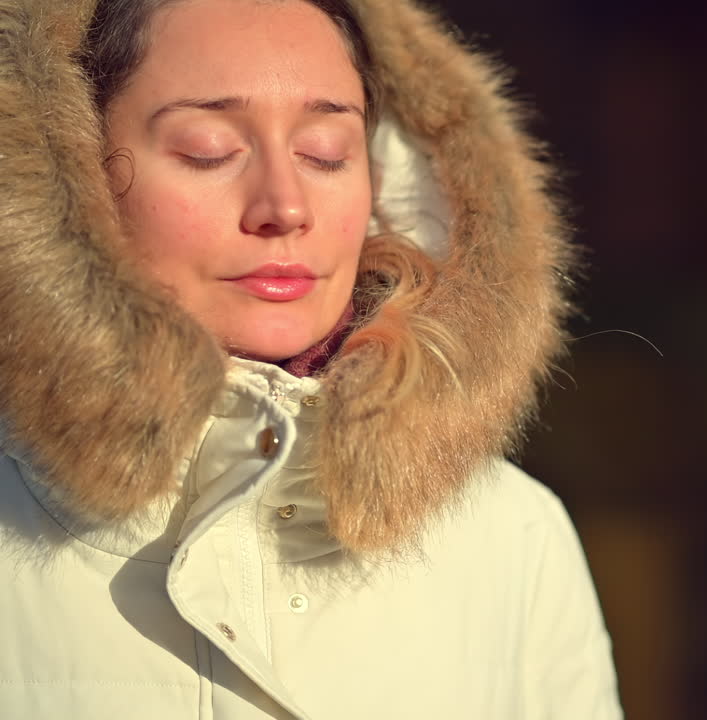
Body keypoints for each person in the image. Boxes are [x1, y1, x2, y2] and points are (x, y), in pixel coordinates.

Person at [0, 0, 623, 717]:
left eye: (326, 152)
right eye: (208, 149)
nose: (284, 205)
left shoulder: (515, 541)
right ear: (67, 171)